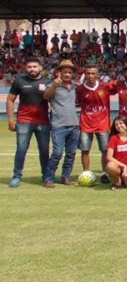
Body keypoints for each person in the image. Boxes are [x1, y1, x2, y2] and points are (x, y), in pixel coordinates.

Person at [7, 57, 51, 187]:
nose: (32, 69)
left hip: (43, 122)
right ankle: (17, 176)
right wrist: (11, 119)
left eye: (35, 66)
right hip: (23, 121)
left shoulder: (48, 82)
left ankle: (46, 176)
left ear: (40, 68)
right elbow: (10, 100)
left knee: (44, 151)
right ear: (26, 68)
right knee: (21, 149)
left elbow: (54, 101)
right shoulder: (19, 81)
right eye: (29, 67)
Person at [76, 63, 116, 182]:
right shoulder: (80, 89)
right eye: (88, 73)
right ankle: (86, 173)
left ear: (98, 75)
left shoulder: (105, 87)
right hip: (86, 124)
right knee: (85, 150)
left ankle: (105, 173)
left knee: (104, 150)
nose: (90, 75)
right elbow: (77, 102)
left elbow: (119, 87)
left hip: (102, 125)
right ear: (85, 74)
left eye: (93, 73)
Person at [42, 59, 79, 187]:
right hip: (58, 125)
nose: (67, 74)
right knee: (57, 153)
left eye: (69, 72)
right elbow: (46, 96)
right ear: (59, 72)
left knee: (71, 153)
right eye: (65, 71)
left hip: (74, 124)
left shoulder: (75, 86)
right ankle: (49, 178)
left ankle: (66, 177)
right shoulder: (54, 85)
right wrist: (54, 86)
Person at [104, 116, 127, 190]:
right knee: (110, 166)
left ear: (126, 124)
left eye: (121, 123)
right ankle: (117, 181)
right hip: (118, 168)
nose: (119, 126)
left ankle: (125, 179)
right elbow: (109, 157)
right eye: (116, 125)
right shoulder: (113, 138)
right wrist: (124, 166)